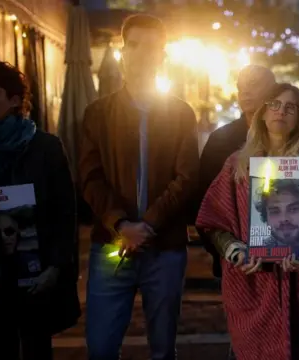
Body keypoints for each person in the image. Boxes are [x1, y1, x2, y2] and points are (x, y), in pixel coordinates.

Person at [196, 83, 299, 360]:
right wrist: (235, 251)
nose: (281, 111)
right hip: (253, 287)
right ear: (262, 113)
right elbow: (213, 221)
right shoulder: (236, 166)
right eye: (275, 104)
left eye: (291, 107)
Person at [78, 15, 199, 360]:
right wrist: (121, 224)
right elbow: (90, 176)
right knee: (100, 348)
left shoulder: (180, 113)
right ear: (122, 51)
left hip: (164, 247)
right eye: (134, 45)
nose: (142, 54)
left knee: (163, 349)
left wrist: (148, 225)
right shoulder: (98, 113)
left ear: (162, 55)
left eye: (151, 47)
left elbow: (187, 177)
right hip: (112, 245)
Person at [0, 61, 79, 360]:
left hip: (36, 275)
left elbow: (65, 212)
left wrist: (56, 267)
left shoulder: (45, 147)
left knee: (37, 348)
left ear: (14, 100)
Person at [197, 65, 276, 279]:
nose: (245, 92)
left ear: (274, 89)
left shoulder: (292, 136)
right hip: (238, 258)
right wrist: (224, 250)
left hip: (289, 257)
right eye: (240, 87)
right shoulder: (221, 141)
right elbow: (204, 201)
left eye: (253, 85)